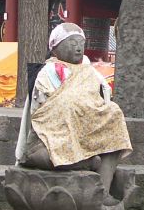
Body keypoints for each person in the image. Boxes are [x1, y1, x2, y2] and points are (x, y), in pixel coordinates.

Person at [16, 23, 132, 197]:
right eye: (72, 43)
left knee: (114, 113)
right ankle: (84, 162)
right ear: (55, 48)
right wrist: (75, 103)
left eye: (81, 43)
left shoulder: (90, 71)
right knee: (66, 106)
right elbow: (50, 105)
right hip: (57, 133)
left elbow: (101, 99)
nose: (78, 47)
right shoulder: (49, 71)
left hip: (89, 128)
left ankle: (103, 191)